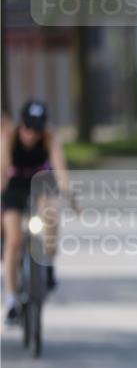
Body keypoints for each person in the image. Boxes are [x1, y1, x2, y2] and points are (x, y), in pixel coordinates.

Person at [1, 100, 72, 323]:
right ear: (21, 124)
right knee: (13, 239)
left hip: (39, 185)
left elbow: (60, 169)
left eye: (37, 128)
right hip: (12, 188)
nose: (32, 134)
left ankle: (48, 262)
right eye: (28, 128)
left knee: (51, 214)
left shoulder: (49, 137)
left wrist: (69, 194)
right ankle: (12, 298)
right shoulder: (9, 137)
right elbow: (2, 170)